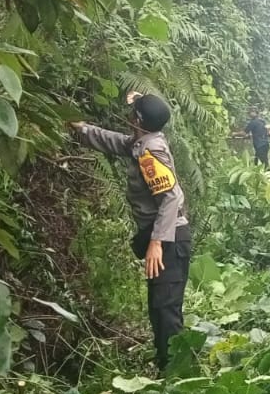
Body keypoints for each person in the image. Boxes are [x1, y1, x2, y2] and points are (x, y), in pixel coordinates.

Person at [69, 91, 191, 372]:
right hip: (165, 239)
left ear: (137, 120)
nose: (128, 114)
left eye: (132, 111)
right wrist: (83, 130)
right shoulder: (142, 142)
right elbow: (117, 142)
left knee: (165, 310)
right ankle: (168, 367)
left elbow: (171, 198)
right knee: (159, 307)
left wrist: (157, 242)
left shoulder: (150, 152)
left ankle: (175, 375)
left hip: (170, 242)